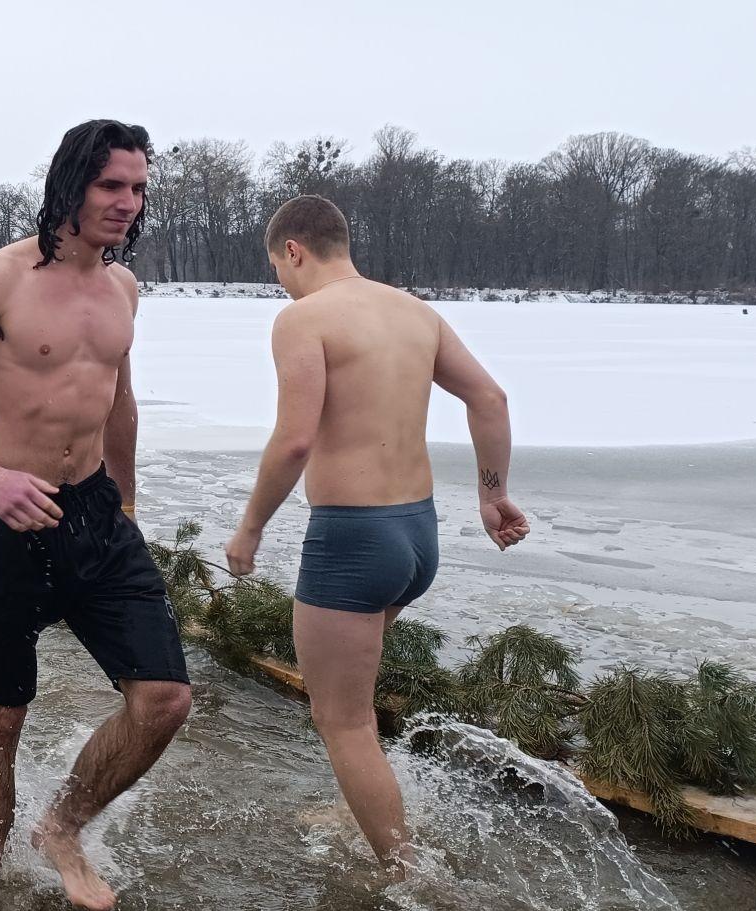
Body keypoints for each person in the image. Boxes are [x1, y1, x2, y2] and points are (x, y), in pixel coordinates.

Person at [0, 120, 191, 911]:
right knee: (3, 716)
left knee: (164, 698)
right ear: (70, 185)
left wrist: (124, 503)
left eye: (137, 189)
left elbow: (118, 400)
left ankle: (61, 827)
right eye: (111, 186)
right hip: (5, 517)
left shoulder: (124, 288)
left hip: (95, 513)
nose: (128, 203)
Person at [223, 195, 528, 871]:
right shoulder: (415, 313)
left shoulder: (304, 320)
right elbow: (491, 399)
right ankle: (369, 810)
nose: (281, 278)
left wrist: (250, 528)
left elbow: (296, 440)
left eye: (278, 265)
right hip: (418, 537)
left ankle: (406, 877)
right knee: (352, 702)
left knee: (343, 721)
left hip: (352, 542)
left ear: (293, 250)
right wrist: (494, 495)